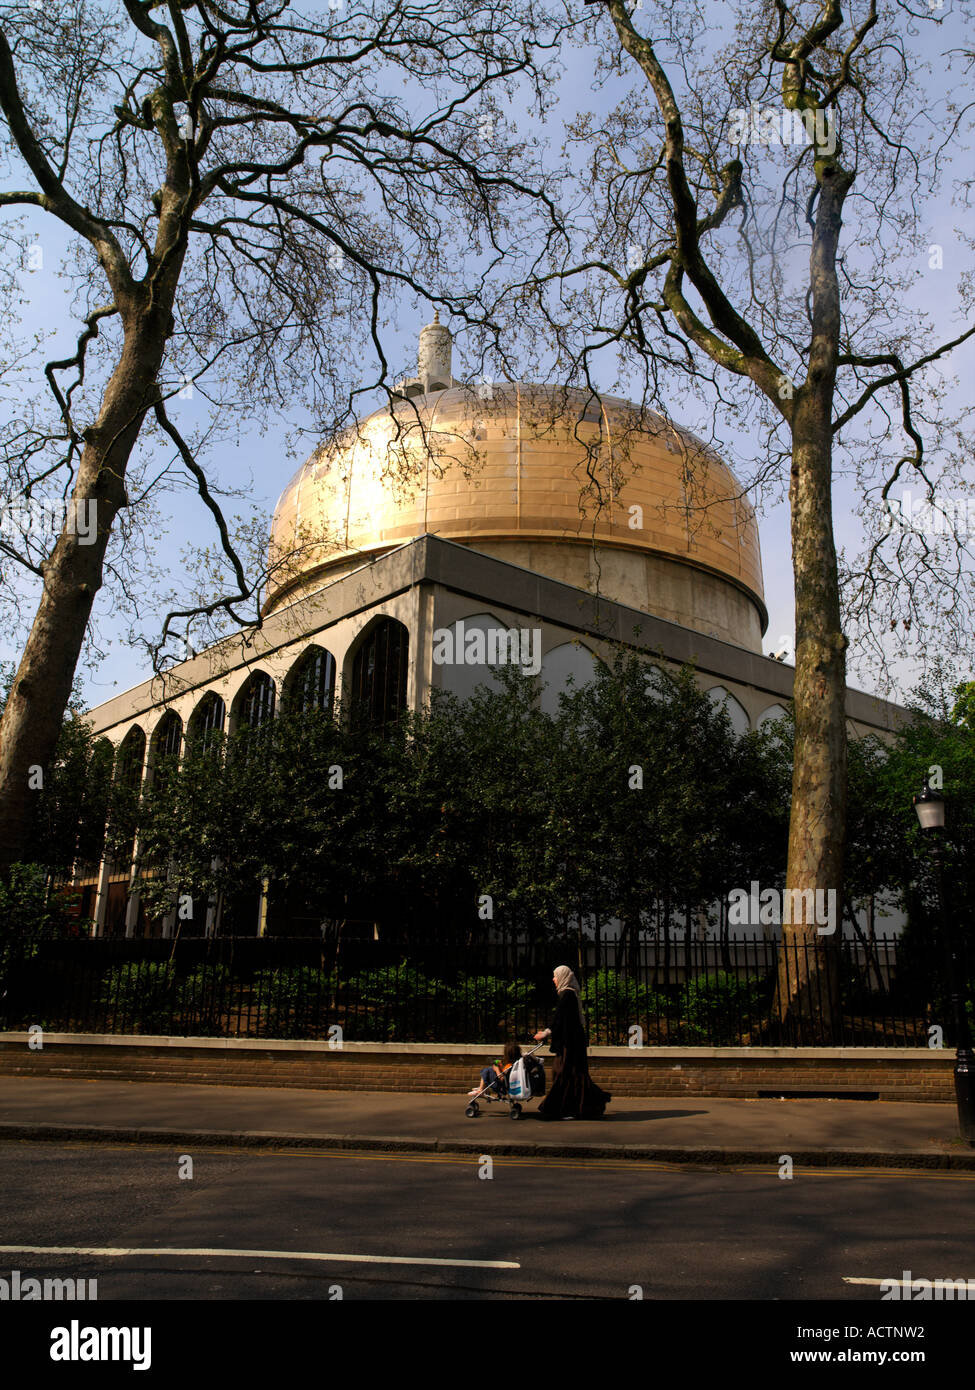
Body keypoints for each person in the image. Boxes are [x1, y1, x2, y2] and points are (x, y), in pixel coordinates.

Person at [534, 966, 611, 1119]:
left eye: (555, 976)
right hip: (572, 1041)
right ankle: (586, 1105)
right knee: (572, 1074)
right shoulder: (568, 993)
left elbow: (560, 1018)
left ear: (563, 977)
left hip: (571, 1043)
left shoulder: (567, 994)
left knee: (564, 1073)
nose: (553, 979)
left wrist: (546, 1033)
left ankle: (564, 1109)